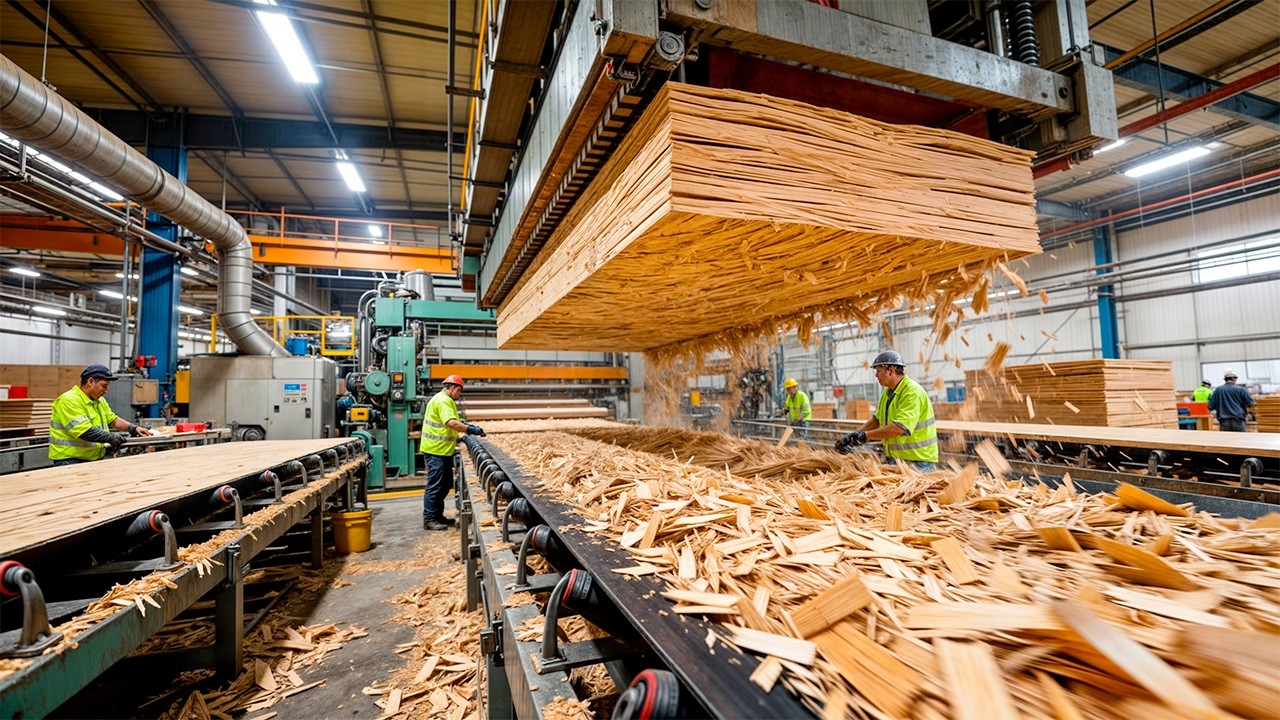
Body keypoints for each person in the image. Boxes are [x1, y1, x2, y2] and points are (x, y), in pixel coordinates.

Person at [835, 351, 937, 472]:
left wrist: (864, 436)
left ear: (890, 370)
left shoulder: (912, 392)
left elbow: (899, 428)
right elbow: (876, 420)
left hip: (917, 461)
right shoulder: (887, 393)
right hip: (897, 459)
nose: (876, 376)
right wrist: (853, 436)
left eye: (878, 371)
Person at [49, 364, 154, 465]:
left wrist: (133, 428)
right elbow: (84, 431)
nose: (106, 391)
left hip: (92, 459)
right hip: (69, 460)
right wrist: (111, 438)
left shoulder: (99, 401)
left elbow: (113, 420)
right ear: (90, 382)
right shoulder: (69, 400)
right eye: (104, 386)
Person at [419, 374, 485, 530]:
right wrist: (470, 429)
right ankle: (429, 519)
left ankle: (437, 516)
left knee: (444, 485)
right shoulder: (443, 401)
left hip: (442, 450)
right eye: (459, 392)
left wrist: (458, 438)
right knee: (435, 486)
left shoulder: (441, 399)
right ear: (454, 388)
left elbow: (445, 426)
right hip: (436, 451)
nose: (459, 395)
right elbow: (451, 422)